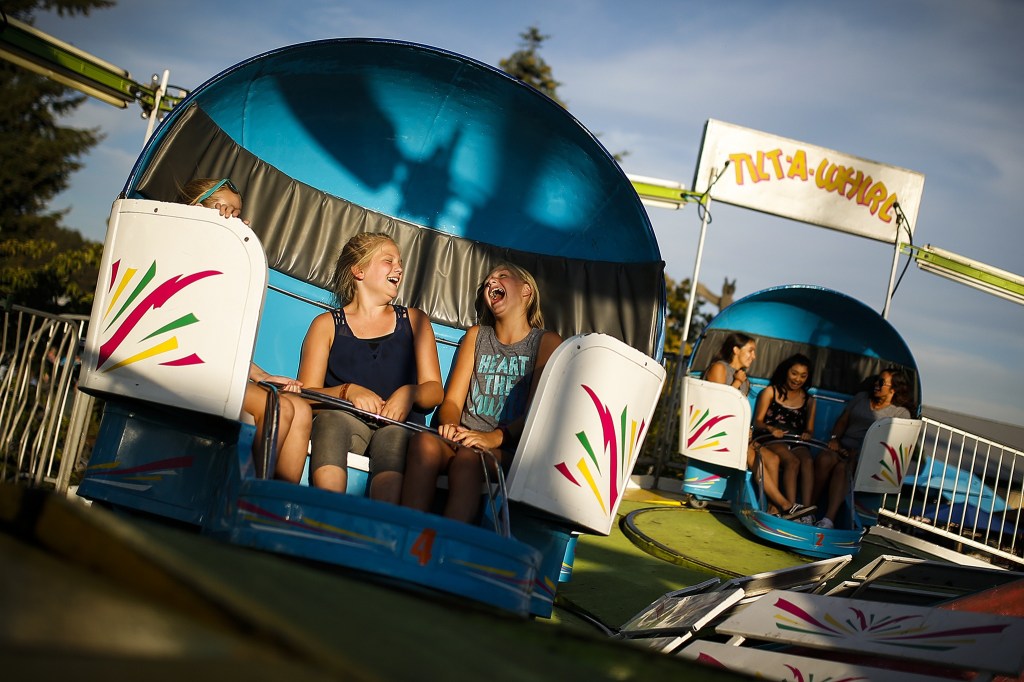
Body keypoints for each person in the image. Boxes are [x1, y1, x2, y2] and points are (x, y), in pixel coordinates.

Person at [400, 263, 562, 523]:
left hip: (507, 450)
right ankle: (403, 535)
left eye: (502, 277)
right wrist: (451, 424)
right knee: (424, 443)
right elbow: (452, 400)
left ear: (526, 291)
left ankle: (446, 546)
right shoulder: (476, 336)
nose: (491, 283)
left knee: (468, 460)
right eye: (487, 281)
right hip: (463, 438)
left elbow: (537, 413)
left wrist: (494, 438)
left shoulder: (546, 342)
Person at [181, 178, 312, 483]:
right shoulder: (186, 251)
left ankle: (275, 508)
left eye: (237, 214)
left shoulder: (227, 270)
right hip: (183, 365)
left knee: (300, 409)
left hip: (217, 369)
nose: (232, 219)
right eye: (222, 209)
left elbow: (222, 340)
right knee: (276, 408)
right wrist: (216, 227)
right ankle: (243, 495)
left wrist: (261, 376)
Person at [298, 232, 443, 503]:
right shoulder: (326, 325)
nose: (398, 268)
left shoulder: (414, 320)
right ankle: (326, 510)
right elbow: (306, 393)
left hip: (398, 425)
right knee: (331, 422)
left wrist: (409, 393)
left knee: (395, 441)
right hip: (345, 421)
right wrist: (347, 392)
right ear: (359, 270)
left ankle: (378, 527)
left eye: (400, 263)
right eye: (388, 261)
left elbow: (435, 391)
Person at [704, 333, 801, 518]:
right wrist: (737, 382)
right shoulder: (719, 368)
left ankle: (773, 510)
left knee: (772, 459)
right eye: (751, 351)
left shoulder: (744, 379)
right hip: (717, 431)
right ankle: (786, 505)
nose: (754, 356)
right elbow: (717, 405)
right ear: (735, 350)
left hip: (737, 435)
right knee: (750, 455)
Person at [811, 368, 913, 529]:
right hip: (843, 447)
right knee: (824, 459)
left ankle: (828, 519)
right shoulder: (861, 398)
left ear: (893, 389)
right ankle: (809, 509)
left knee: (842, 469)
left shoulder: (900, 413)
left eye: (881, 383)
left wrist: (862, 454)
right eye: (876, 380)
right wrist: (835, 440)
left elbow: (894, 444)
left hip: (869, 458)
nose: (876, 385)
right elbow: (843, 420)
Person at [753, 354, 818, 522]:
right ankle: (791, 507)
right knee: (792, 461)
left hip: (795, 439)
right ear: (786, 372)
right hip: (771, 437)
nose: (798, 379)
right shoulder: (770, 392)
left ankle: (806, 511)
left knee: (808, 461)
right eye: (794, 373)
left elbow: (809, 429)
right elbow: (758, 421)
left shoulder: (810, 401)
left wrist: (808, 434)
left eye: (803, 376)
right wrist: (771, 428)